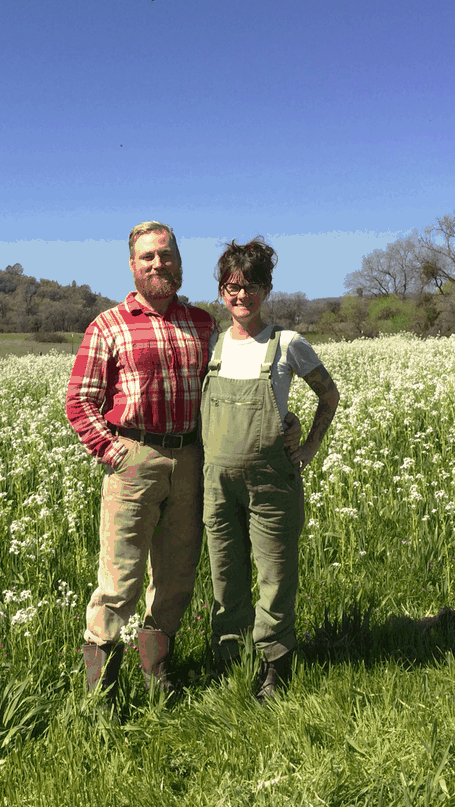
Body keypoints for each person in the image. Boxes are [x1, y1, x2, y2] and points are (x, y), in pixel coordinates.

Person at [65, 222, 300, 702]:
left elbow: (240, 380)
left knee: (175, 578)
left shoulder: (201, 324)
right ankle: (101, 693)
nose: (158, 264)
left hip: (193, 460)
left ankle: (158, 677)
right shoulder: (108, 325)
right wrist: (115, 453)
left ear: (179, 261)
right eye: (148, 257)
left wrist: (284, 416)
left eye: (166, 255)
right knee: (120, 580)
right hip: (134, 457)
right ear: (133, 266)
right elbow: (79, 401)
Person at [201, 236, 339, 702]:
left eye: (252, 285)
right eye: (233, 286)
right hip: (216, 485)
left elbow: (329, 393)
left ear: (267, 289)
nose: (242, 295)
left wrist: (309, 446)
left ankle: (275, 666)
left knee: (276, 575)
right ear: (222, 291)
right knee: (226, 576)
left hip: (271, 483)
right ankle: (229, 662)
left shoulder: (287, 343)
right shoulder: (209, 345)